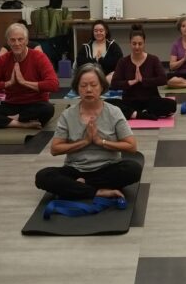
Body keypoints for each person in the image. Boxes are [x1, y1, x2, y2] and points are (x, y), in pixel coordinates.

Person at [34, 64, 142, 200]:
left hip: (107, 168)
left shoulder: (114, 112)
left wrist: (100, 141)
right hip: (75, 170)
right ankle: (97, 192)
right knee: (43, 176)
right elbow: (55, 149)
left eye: (93, 85)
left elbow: (132, 147)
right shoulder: (68, 114)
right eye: (83, 86)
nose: (89, 90)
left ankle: (80, 188)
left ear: (102, 87)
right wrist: (84, 142)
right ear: (77, 89)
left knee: (133, 169)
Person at [0, 23, 59, 129]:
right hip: (10, 105)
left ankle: (9, 120)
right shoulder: (3, 60)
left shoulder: (39, 57)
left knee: (48, 109)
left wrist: (24, 82)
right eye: (12, 40)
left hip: (35, 104)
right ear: (8, 42)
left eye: (20, 39)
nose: (16, 43)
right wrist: (8, 83)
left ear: (26, 41)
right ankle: (19, 123)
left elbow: (53, 85)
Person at [108, 27, 177, 120]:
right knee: (108, 103)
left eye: (140, 44)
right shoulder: (123, 62)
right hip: (130, 101)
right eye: (134, 44)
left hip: (150, 100)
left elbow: (163, 79)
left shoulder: (153, 59)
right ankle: (141, 114)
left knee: (172, 105)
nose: (137, 47)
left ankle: (134, 113)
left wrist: (143, 80)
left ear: (144, 43)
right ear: (130, 43)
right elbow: (114, 83)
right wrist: (130, 82)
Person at [77, 19, 123, 84]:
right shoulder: (85, 47)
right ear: (93, 32)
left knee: (113, 76)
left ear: (106, 31)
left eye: (101, 31)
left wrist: (100, 60)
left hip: (107, 77)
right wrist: (95, 61)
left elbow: (118, 62)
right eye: (96, 31)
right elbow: (80, 62)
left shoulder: (113, 45)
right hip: (90, 77)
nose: (98, 33)